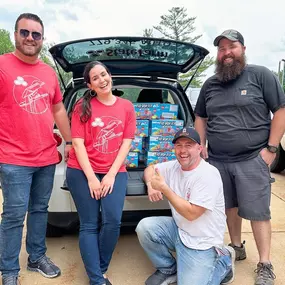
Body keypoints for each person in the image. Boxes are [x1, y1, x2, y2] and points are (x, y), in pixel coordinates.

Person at [194, 29, 285, 285]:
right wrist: (201, 145)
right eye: (221, 49)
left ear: (242, 49)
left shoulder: (260, 75)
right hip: (218, 161)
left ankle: (265, 264)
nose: (226, 53)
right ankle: (236, 246)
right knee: (229, 208)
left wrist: (271, 149)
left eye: (231, 47)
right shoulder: (211, 84)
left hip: (252, 159)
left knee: (258, 212)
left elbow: (280, 110)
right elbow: (200, 116)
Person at [0, 13, 72, 285]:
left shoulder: (48, 72)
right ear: (15, 34)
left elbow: (58, 109)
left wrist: (70, 142)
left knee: (40, 209)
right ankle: (8, 269)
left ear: (42, 38)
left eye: (36, 34)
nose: (30, 38)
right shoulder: (3, 65)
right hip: (12, 158)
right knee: (14, 215)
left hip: (45, 156)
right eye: (25, 32)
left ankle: (36, 257)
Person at [66, 61, 136, 285]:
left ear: (110, 75)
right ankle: (97, 279)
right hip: (81, 170)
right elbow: (77, 144)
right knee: (89, 224)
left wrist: (110, 175)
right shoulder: (82, 106)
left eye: (103, 74)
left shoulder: (126, 106)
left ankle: (100, 267)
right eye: (95, 78)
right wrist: (91, 179)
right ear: (90, 84)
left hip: (114, 171)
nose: (102, 80)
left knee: (113, 221)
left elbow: (126, 143)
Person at [136, 127, 235, 285]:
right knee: (145, 227)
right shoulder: (174, 166)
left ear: (199, 148)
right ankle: (168, 269)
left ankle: (223, 262)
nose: (183, 151)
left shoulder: (208, 174)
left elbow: (192, 213)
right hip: (180, 231)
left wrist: (164, 188)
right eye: (179, 145)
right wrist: (151, 184)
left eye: (188, 145)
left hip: (202, 243)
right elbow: (150, 169)